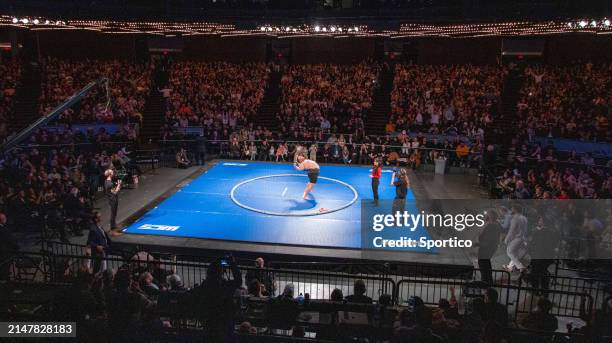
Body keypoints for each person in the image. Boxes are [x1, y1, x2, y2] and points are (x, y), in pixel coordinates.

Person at [478, 211, 502, 284]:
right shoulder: (496, 225)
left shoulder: (492, 226)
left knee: (483, 264)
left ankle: (485, 281)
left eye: (488, 215)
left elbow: (486, 238)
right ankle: (488, 281)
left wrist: (479, 244)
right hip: (490, 247)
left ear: (491, 217)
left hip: (486, 248)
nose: (486, 216)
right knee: (486, 263)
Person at [504, 205, 527, 273]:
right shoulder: (524, 218)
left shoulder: (515, 218)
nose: (511, 210)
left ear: (515, 210)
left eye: (512, 209)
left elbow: (511, 230)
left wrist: (507, 239)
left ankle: (521, 267)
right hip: (523, 237)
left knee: (509, 252)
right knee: (515, 252)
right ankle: (510, 267)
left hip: (517, 238)